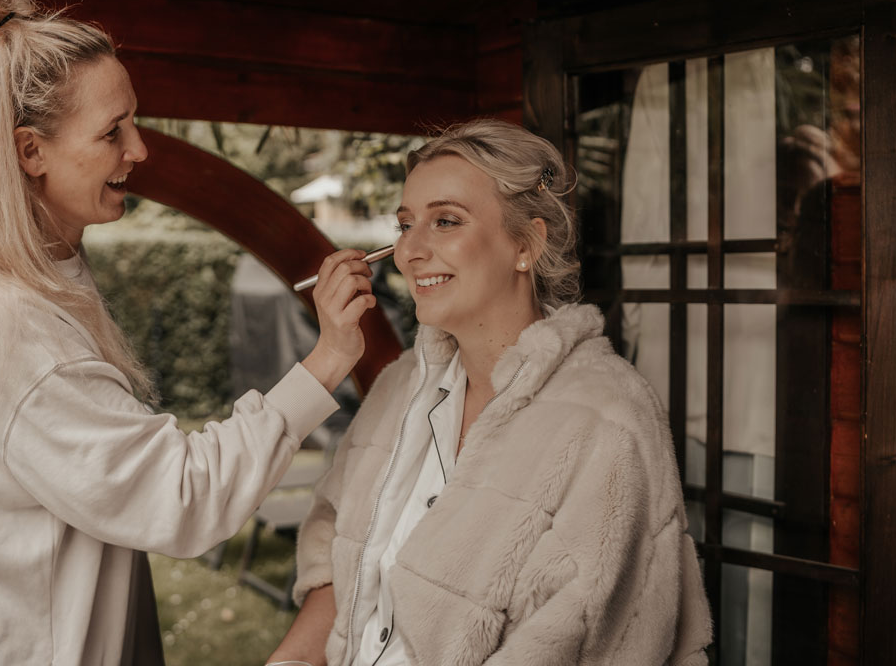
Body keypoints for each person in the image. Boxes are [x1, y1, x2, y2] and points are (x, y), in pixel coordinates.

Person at [0, 0, 377, 665]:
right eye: (112, 131)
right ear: (30, 151)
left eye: (133, 122)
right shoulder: (11, 329)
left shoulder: (36, 271)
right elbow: (180, 496)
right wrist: (328, 359)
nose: (139, 150)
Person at [266, 120, 713, 666]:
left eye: (445, 221)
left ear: (526, 244)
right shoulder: (399, 386)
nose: (409, 251)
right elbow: (337, 557)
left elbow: (597, 639)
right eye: (404, 225)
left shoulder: (606, 419)